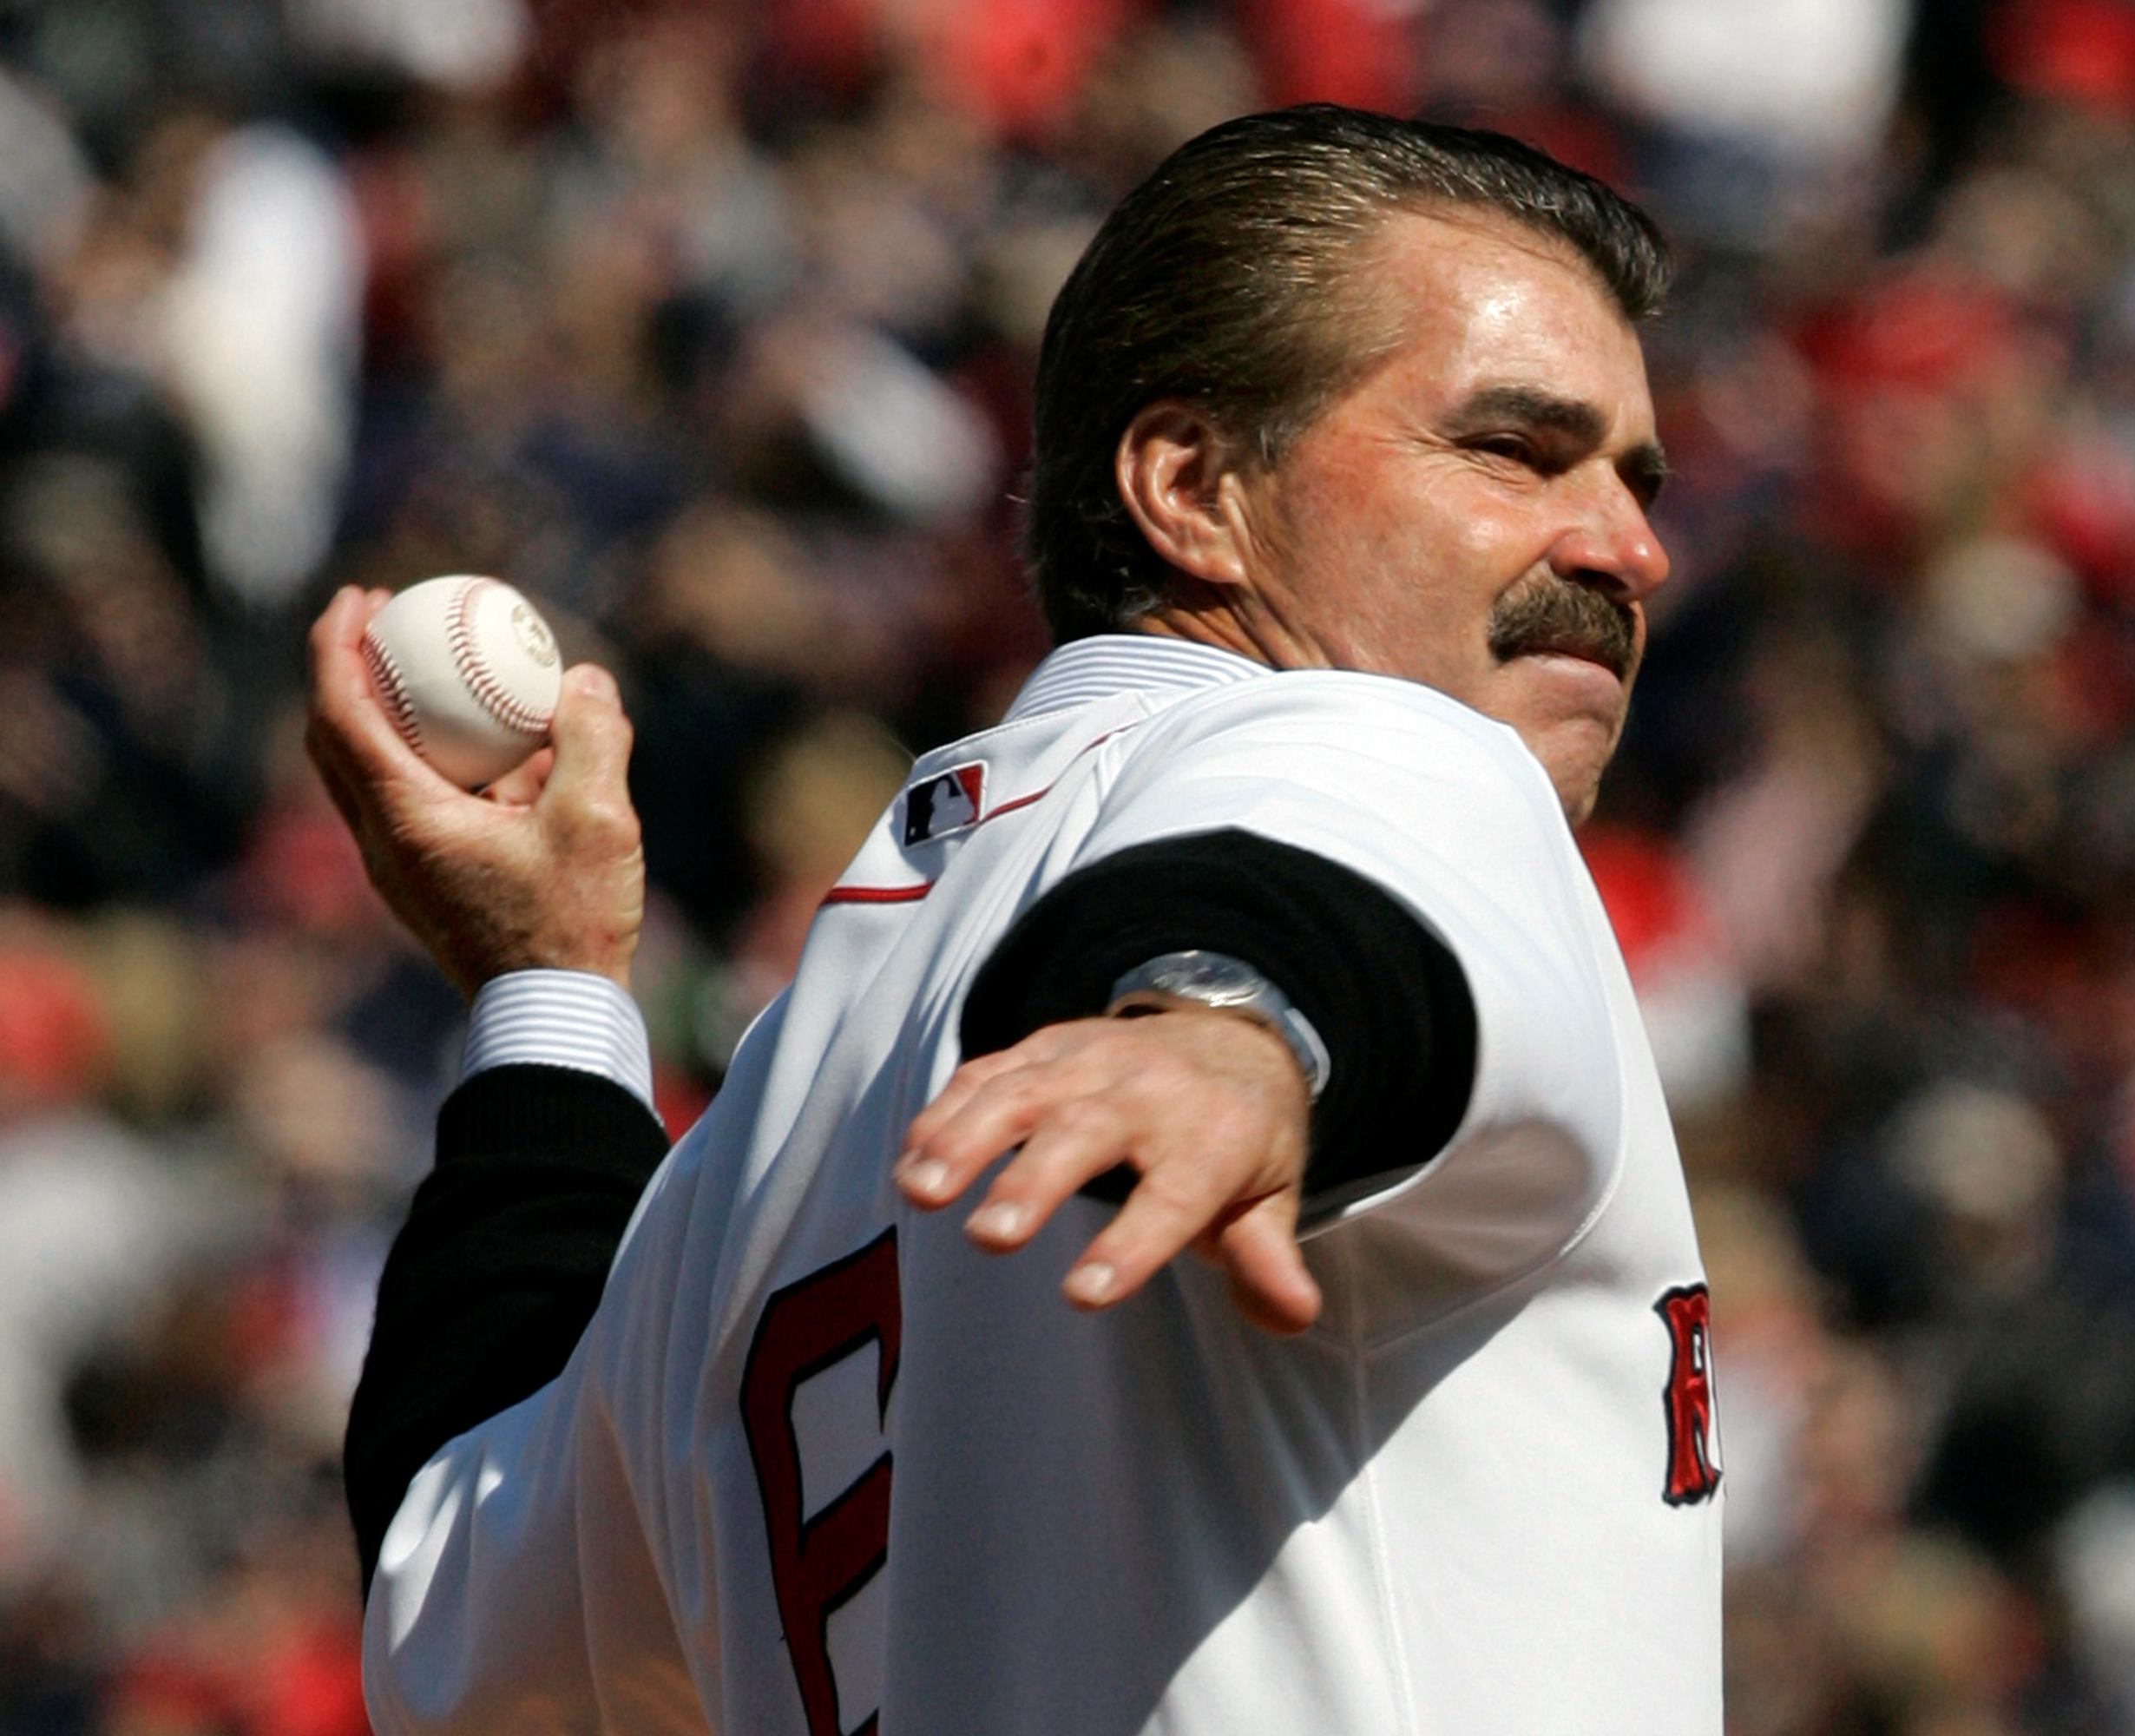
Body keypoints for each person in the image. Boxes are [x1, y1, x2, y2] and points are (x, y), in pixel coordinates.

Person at [308, 105, 1722, 1735]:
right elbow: (1320, 898)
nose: (1629, 548)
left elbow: (449, 1603)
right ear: (1192, 491)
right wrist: (1225, 1025)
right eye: (1513, 450)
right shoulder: (1389, 751)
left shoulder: (768, 1133)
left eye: (1633, 476)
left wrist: (545, 995)